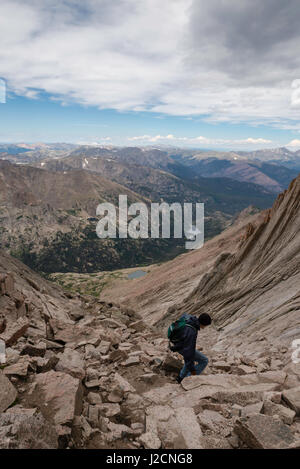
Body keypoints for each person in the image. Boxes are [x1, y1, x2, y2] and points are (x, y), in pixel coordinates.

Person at [169, 312, 212, 384]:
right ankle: (188, 380)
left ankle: (180, 378)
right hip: (180, 346)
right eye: (206, 325)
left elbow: (183, 315)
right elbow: (188, 353)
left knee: (190, 357)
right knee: (204, 360)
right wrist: (193, 371)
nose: (205, 327)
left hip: (176, 344)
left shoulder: (190, 319)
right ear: (203, 324)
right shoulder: (192, 331)